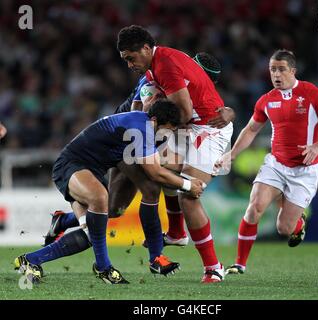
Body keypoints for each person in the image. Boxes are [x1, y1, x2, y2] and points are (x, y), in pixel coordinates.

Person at [44, 52, 228, 250]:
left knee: (115, 208)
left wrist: (226, 118)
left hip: (146, 134)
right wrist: (190, 179)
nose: (201, 84)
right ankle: (157, 256)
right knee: (152, 184)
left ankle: (63, 221)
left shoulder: (188, 94)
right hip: (125, 137)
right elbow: (140, 122)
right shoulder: (159, 83)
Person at [14, 100, 205, 284]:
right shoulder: (141, 128)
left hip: (92, 171)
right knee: (100, 200)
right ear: (156, 121)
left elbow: (158, 162)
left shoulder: (142, 124)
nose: (169, 134)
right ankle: (104, 267)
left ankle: (35, 255)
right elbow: (155, 172)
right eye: (169, 129)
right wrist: (187, 185)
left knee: (97, 225)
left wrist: (192, 169)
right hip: (71, 165)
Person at [118, 25, 235, 283]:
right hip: (191, 127)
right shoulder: (153, 66)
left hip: (208, 129)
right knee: (160, 171)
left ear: (146, 49)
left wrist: (153, 119)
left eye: (130, 58)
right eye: (125, 59)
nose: (129, 64)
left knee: (189, 195)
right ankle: (177, 233)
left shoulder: (166, 66)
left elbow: (182, 112)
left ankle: (214, 268)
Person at [214, 49, 318, 275]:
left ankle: (298, 224)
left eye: (281, 69)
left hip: (305, 170)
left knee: (284, 228)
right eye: (273, 69)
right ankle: (240, 264)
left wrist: (316, 146)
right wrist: (230, 155)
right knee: (254, 207)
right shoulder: (266, 100)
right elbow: (251, 130)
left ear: (293, 71)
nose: (276, 74)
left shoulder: (313, 94)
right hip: (276, 164)